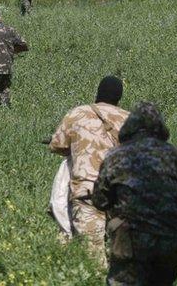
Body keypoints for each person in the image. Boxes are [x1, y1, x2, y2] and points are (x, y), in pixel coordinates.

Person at [93, 102, 177, 286]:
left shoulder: (115, 156)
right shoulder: (176, 154)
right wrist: (173, 211)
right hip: (168, 240)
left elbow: (99, 200)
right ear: (160, 127)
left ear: (129, 126)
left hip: (128, 241)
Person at [48, 76, 129, 263]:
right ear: (119, 97)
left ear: (98, 93)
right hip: (121, 194)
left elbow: (56, 145)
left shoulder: (78, 113)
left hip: (88, 192)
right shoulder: (129, 118)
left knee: (92, 254)